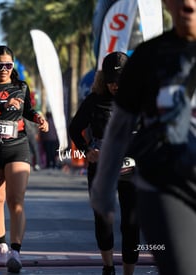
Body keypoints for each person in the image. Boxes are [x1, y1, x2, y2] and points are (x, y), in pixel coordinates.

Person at [90, 1, 196, 274]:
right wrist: (102, 189)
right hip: (166, 185)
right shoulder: (149, 57)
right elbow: (119, 127)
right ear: (166, 4)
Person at [0, 45, 49, 273]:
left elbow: (28, 110)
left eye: (8, 65)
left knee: (17, 200)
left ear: (12, 67)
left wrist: (39, 118)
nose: (4, 69)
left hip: (17, 145)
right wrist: (1, 107)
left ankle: (16, 251)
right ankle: (1, 245)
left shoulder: (21, 87)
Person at [69, 52, 139, 275]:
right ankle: (108, 267)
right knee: (103, 219)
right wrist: (87, 150)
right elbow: (74, 128)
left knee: (131, 222)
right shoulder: (94, 100)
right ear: (103, 79)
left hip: (131, 168)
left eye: (119, 81)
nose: (115, 86)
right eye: (110, 81)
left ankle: (129, 271)